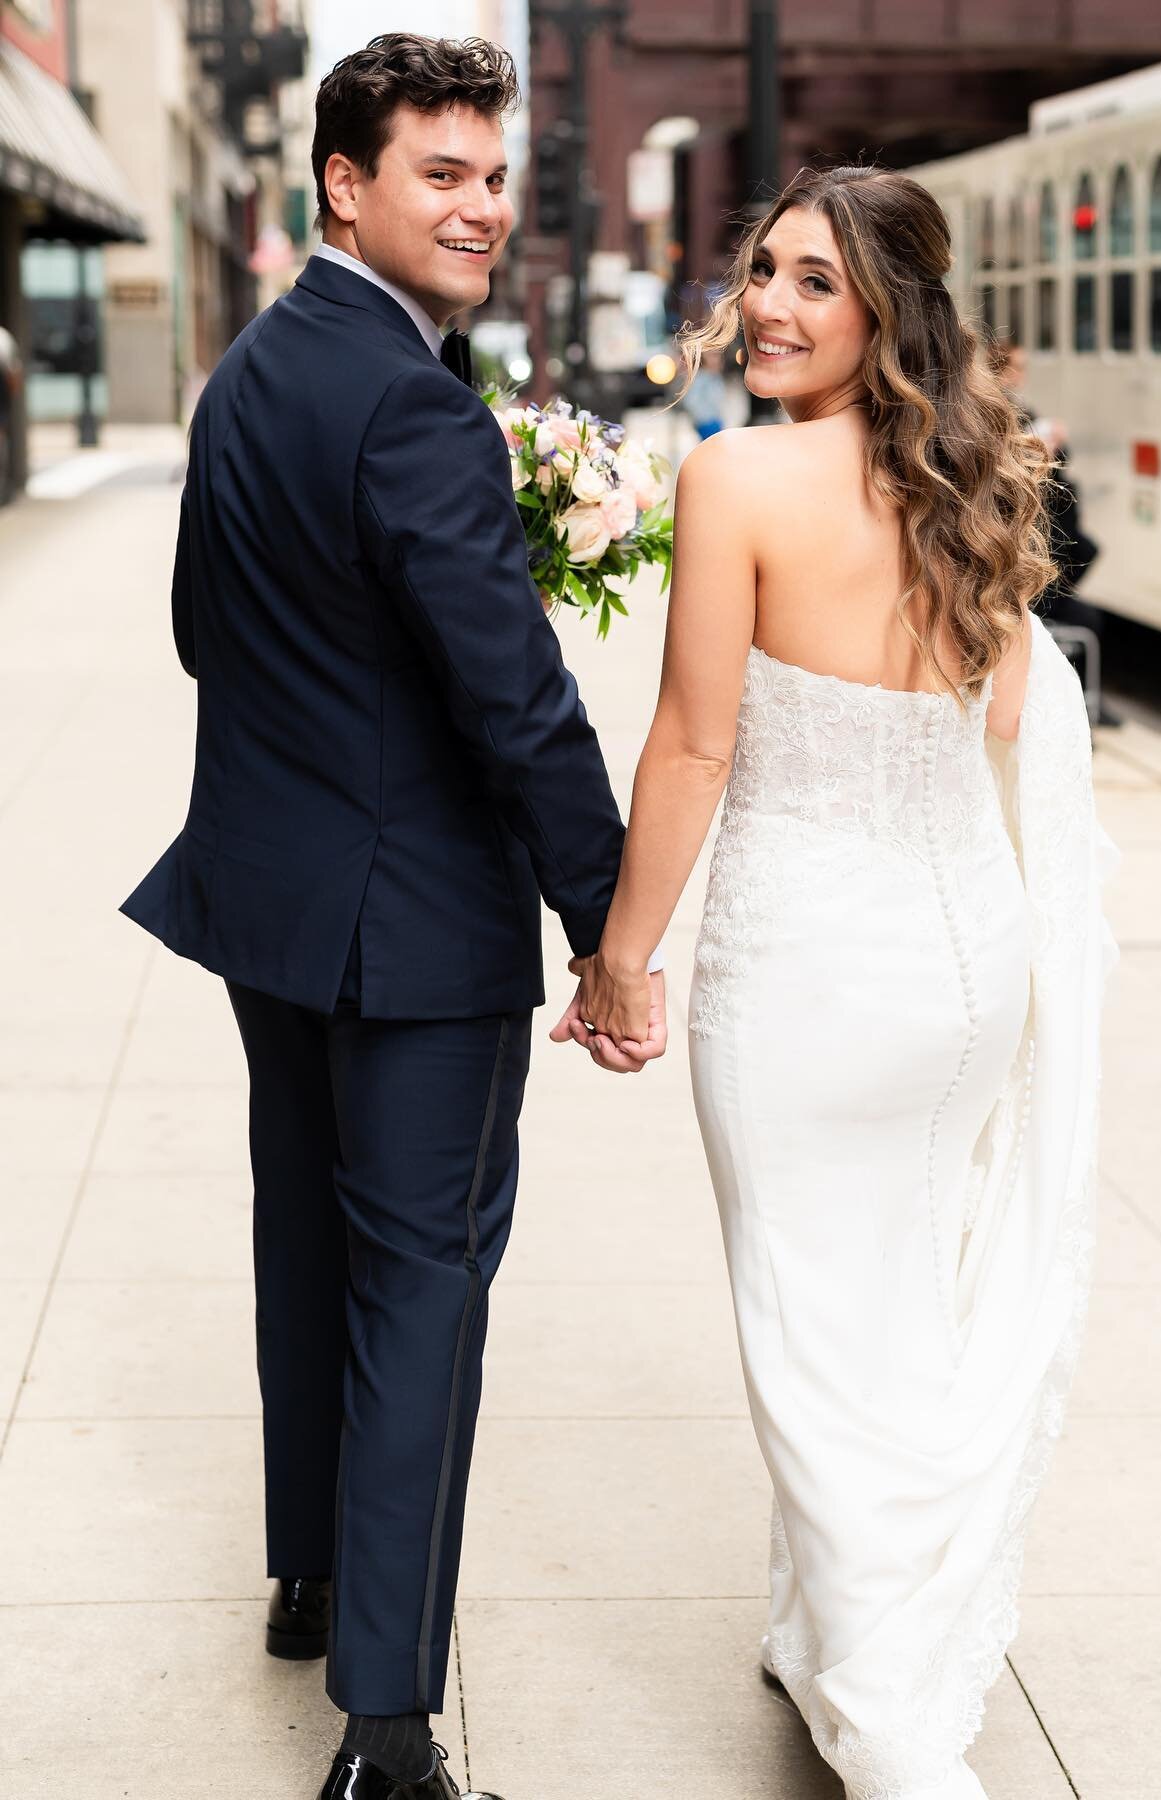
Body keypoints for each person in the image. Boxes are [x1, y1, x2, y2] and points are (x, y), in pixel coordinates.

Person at [120, 35, 664, 1800]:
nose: (486, 206)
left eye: (494, 174)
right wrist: (612, 924)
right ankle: (387, 1736)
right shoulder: (415, 402)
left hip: (272, 901)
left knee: (307, 1240)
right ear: (345, 184)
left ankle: (312, 1575)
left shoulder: (256, 367)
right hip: (406, 922)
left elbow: (208, 628)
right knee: (421, 1285)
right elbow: (513, 698)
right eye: (444, 172)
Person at [552, 166, 1116, 1798]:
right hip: (963, 968)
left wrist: (620, 956)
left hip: (806, 970)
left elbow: (695, 744)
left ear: (885, 311)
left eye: (817, 279)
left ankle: (889, 1705)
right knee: (901, 1301)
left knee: (810, 1326)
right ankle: (827, 1628)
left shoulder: (735, 480)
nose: (774, 306)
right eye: (765, 271)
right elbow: (1008, 728)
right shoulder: (972, 482)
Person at [989, 335, 1114, 723]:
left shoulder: (1023, 411)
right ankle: (1082, 701)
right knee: (1083, 607)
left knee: (1082, 553)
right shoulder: (994, 412)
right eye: (1014, 367)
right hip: (1019, 544)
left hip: (1041, 536)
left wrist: (1055, 444)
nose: (1019, 376)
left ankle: (1085, 699)